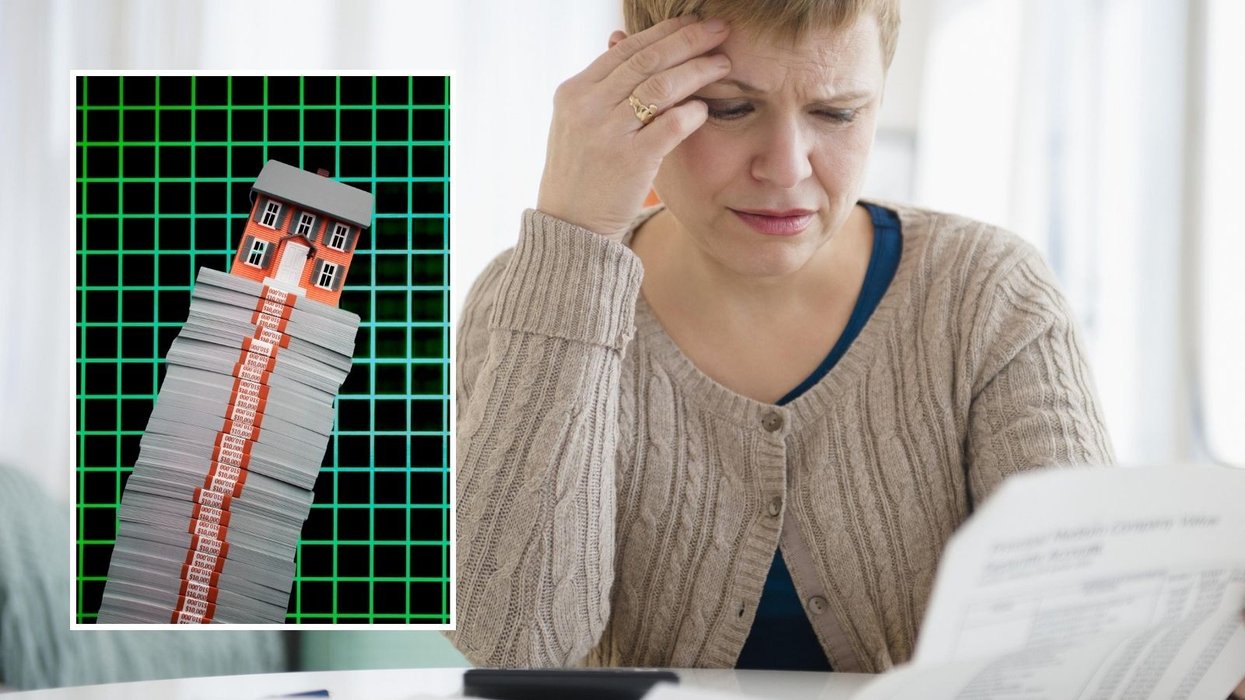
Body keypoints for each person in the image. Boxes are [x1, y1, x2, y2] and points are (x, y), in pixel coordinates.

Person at [448, 1, 1241, 691]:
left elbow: (1081, 637)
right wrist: (576, 236)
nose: (786, 168)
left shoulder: (987, 296)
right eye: (728, 108)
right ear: (638, 90)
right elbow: (515, 644)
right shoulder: (532, 296)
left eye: (836, 113)